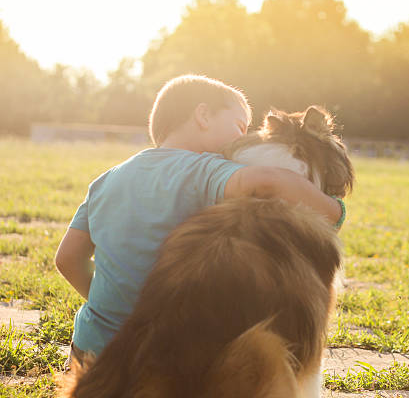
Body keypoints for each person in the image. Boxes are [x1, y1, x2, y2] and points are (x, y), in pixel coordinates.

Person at [55, 74, 343, 367]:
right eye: (240, 127)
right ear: (203, 115)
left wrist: (114, 306)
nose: (244, 139)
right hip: (160, 356)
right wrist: (333, 210)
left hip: (88, 350)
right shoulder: (203, 170)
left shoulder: (106, 180)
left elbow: (67, 258)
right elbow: (268, 181)